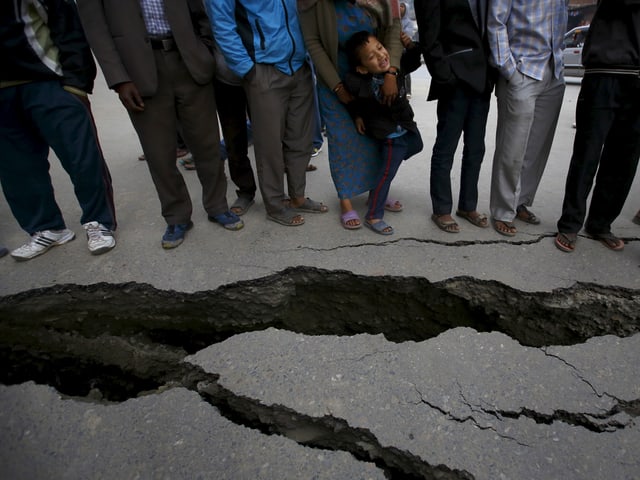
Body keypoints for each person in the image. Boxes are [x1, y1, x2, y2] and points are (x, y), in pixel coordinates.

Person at [77, 0, 243, 250]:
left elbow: (199, 13)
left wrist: (205, 50)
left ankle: (217, 205)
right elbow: (96, 33)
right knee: (159, 153)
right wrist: (119, 79)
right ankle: (177, 217)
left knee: (206, 143)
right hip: (139, 70)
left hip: (188, 62)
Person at [0, 0, 117, 261]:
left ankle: (99, 221)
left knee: (81, 157)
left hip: (47, 80)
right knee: (17, 168)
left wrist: (76, 83)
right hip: (3, 92)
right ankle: (47, 227)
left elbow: (67, 21)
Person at [209, 0, 329, 227]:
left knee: (301, 140)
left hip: (299, 65)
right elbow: (223, 26)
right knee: (269, 146)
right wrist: (247, 69)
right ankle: (275, 205)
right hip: (263, 70)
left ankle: (297, 196)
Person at [300, 0, 403, 230]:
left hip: (371, 71)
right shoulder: (311, 3)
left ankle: (376, 191)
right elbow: (313, 42)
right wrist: (337, 87)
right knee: (343, 137)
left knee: (373, 133)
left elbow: (394, 27)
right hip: (334, 75)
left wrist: (391, 73)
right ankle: (345, 201)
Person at [555, 0, 640, 253]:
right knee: (587, 152)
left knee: (624, 159)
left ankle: (601, 223)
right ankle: (570, 223)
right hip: (606, 70)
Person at [487, 0, 567, 236]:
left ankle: (519, 202)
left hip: (554, 70)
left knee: (536, 147)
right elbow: (496, 22)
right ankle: (502, 210)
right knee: (511, 148)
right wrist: (509, 69)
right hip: (523, 69)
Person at [415, 0, 495, 233]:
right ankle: (441, 209)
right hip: (454, 78)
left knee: (476, 147)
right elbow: (429, 36)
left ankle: (467, 205)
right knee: (446, 147)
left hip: (483, 77)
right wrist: (445, 76)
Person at [343, 31, 423, 235]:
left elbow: (414, 62)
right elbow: (355, 102)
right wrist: (358, 117)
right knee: (386, 174)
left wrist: (411, 46)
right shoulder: (360, 82)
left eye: (379, 48)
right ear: (361, 68)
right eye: (371, 56)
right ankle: (374, 215)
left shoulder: (395, 69)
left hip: (403, 127)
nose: (380, 56)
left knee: (416, 146)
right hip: (388, 136)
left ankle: (375, 195)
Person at [212, 42, 258, 216]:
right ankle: (245, 190)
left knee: (269, 135)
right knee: (233, 138)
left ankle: (275, 192)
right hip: (224, 76)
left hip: (260, 70)